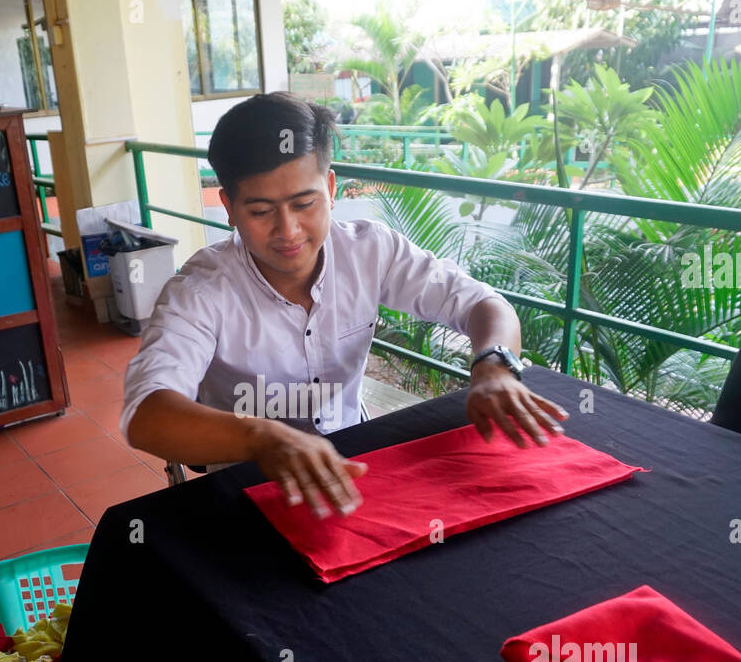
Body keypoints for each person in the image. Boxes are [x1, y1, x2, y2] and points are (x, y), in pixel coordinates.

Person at [121, 91, 568, 519]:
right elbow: (146, 414)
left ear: (330, 187)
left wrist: (493, 366)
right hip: (247, 486)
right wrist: (263, 437)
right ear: (230, 208)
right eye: (260, 212)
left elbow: (483, 303)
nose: (289, 231)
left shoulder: (372, 251)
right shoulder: (200, 292)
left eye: (304, 203)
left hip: (357, 462)